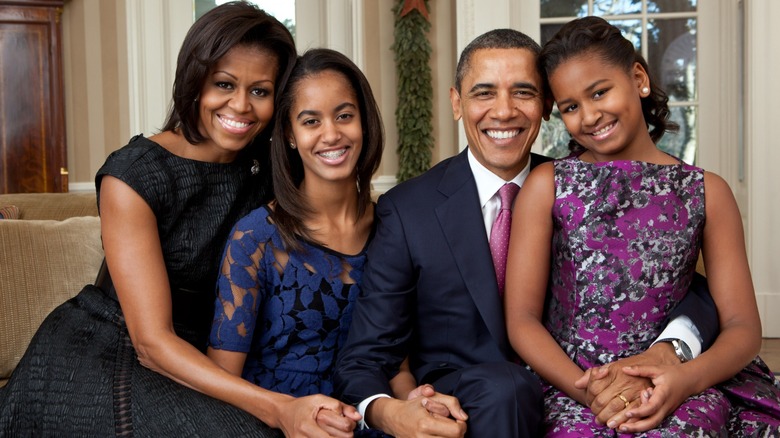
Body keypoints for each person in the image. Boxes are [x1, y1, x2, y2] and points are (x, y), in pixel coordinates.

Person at [333, 28, 719, 437]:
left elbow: (676, 283)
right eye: (484, 93)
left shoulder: (579, 186)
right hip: (470, 403)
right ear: (456, 103)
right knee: (507, 389)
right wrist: (391, 412)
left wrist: (673, 346)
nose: (503, 111)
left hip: (582, 388)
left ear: (547, 105)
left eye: (523, 92)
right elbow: (365, 356)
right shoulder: (409, 210)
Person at [0, 3, 297, 435]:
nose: (240, 105)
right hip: (107, 352)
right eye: (224, 84)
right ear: (195, 81)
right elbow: (151, 343)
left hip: (203, 355)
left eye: (260, 91)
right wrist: (278, 407)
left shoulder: (270, 172)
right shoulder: (134, 175)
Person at [505, 16, 780, 436]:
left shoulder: (708, 191)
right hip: (573, 382)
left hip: (680, 382)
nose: (590, 116)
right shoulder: (548, 186)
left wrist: (682, 381)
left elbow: (743, 329)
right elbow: (522, 319)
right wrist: (592, 393)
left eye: (600, 92)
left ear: (638, 78)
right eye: (571, 107)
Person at [206, 47, 388, 437]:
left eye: (344, 116)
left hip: (373, 420)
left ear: (364, 122)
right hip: (274, 424)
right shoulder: (256, 238)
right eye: (311, 121)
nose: (331, 134)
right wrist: (286, 414)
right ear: (289, 134)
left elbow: (399, 360)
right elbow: (222, 382)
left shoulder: (393, 228)